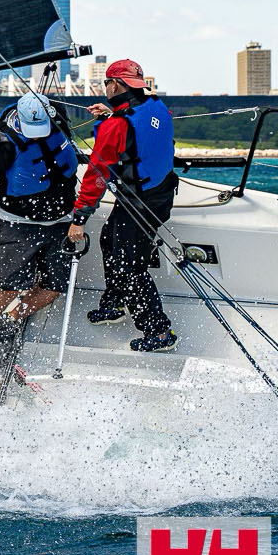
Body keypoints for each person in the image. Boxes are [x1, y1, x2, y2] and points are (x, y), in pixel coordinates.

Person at [0, 92, 80, 378]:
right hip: (19, 221)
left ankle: (11, 319)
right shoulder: (2, 140)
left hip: (61, 221)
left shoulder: (56, 117)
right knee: (9, 285)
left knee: (55, 285)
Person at [67, 57, 179, 353]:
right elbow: (138, 127)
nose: (105, 86)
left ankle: (158, 331)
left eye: (106, 82)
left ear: (115, 84)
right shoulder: (156, 106)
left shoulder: (115, 126)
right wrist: (111, 113)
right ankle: (114, 303)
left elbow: (96, 176)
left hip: (140, 202)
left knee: (130, 266)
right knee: (108, 239)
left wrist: (79, 218)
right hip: (160, 193)